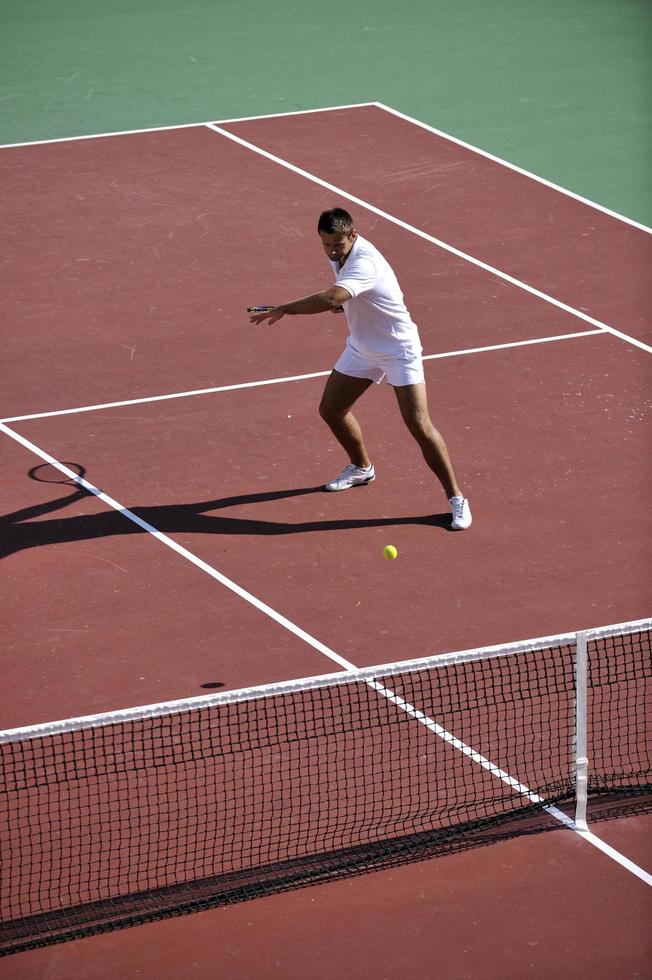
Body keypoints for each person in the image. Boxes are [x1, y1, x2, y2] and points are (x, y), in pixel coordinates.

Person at [249, 207, 472, 530]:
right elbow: (342, 296)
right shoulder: (339, 254)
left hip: (398, 350)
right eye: (326, 245)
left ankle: (456, 498)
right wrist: (347, 303)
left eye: (338, 245)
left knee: (418, 424)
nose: (333, 250)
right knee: (332, 410)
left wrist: (286, 309)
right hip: (362, 347)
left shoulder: (364, 262)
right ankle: (361, 467)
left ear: (353, 236)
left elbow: (330, 298)